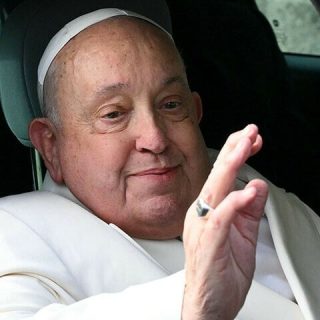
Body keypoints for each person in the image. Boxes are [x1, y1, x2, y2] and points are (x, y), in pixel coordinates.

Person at [0, 1, 319, 320]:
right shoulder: (15, 235)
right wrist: (193, 306)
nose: (154, 138)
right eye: (114, 114)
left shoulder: (252, 189)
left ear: (195, 113)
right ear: (50, 145)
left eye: (170, 105)